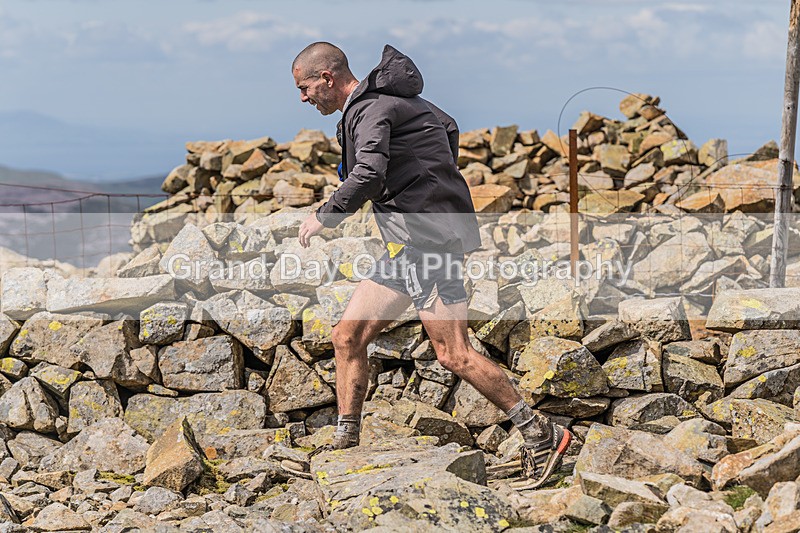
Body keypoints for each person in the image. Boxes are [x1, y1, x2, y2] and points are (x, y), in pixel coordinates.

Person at [290, 42, 572, 488]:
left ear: (327, 78)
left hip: (431, 244)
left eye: (304, 88)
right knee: (346, 336)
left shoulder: (372, 108)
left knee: (453, 353)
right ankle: (347, 441)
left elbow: (368, 174)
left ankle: (540, 432)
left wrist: (325, 216)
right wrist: (432, 182)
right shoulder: (389, 102)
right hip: (404, 246)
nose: (303, 98)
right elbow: (448, 126)